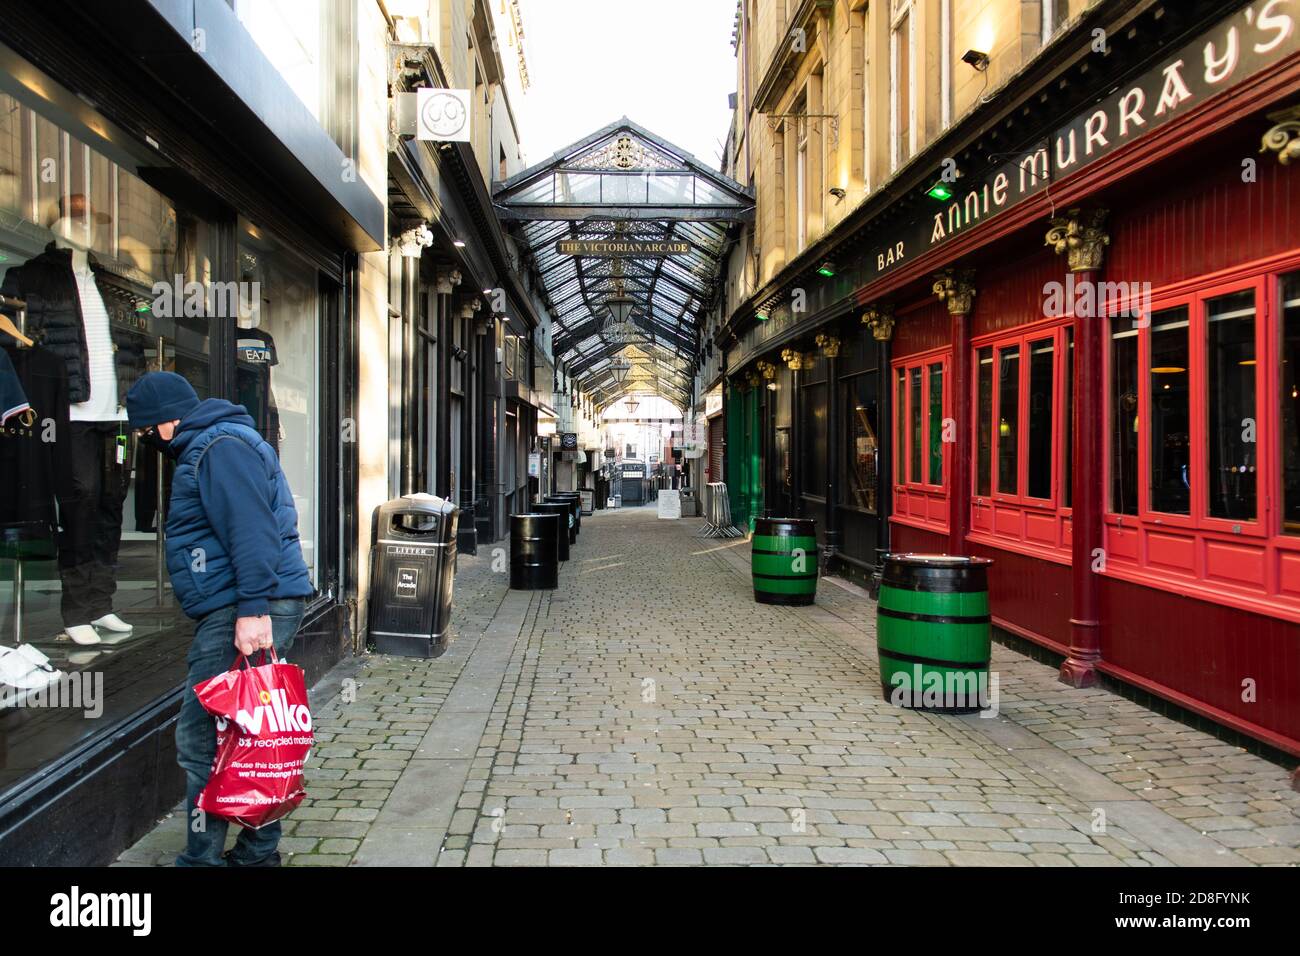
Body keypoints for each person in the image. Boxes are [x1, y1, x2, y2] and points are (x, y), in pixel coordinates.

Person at [126, 371, 313, 867]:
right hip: (249, 602)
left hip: (245, 606)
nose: (147, 441)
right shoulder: (219, 442)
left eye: (146, 432)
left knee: (200, 738)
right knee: (255, 733)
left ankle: (203, 860)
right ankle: (257, 855)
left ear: (166, 421)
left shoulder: (217, 448)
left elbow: (252, 532)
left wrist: (251, 609)